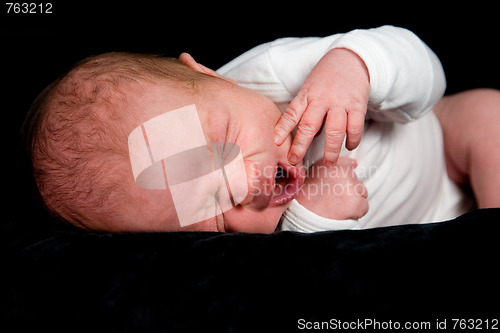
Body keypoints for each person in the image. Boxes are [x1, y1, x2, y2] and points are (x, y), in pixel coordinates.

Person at [22, 26, 499, 233]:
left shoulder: (274, 74)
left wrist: (356, 66)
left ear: (211, 76)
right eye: (212, 212)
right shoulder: (262, 234)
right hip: (425, 221)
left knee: (487, 117)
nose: (246, 185)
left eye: (221, 144)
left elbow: (427, 73)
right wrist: (315, 221)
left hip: (442, 145)